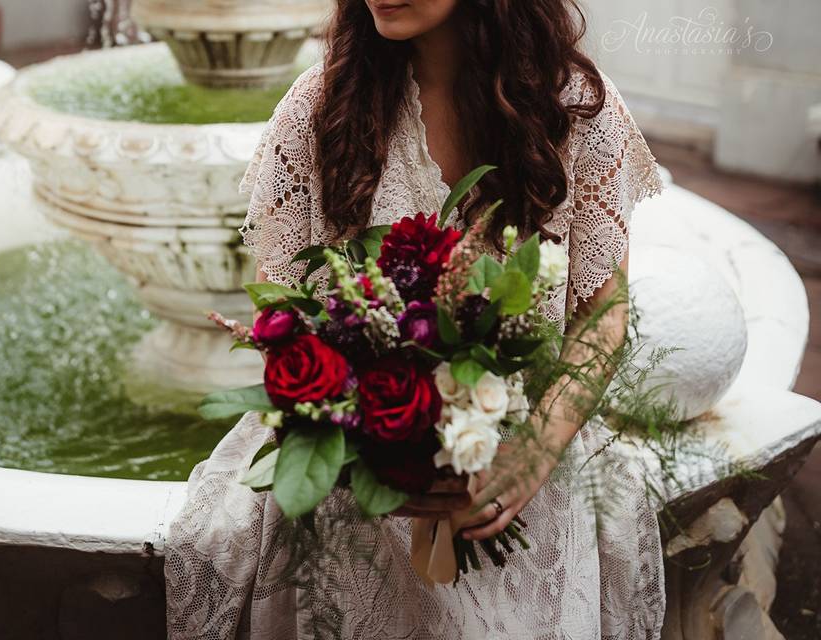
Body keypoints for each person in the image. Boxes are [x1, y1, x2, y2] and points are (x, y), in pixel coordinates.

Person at [166, 1, 665, 638]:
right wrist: (376, 454)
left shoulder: (574, 108)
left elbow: (602, 315)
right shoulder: (323, 106)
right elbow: (282, 321)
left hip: (527, 459)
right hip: (355, 466)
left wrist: (529, 457)